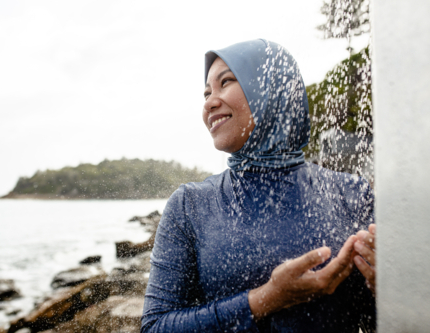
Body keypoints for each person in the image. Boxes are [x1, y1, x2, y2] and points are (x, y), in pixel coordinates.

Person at [141, 39, 376, 332]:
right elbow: (155, 326)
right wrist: (266, 299)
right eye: (206, 93)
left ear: (271, 88)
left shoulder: (351, 193)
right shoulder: (190, 205)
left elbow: (381, 317)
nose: (209, 102)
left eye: (225, 82)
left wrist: (386, 287)